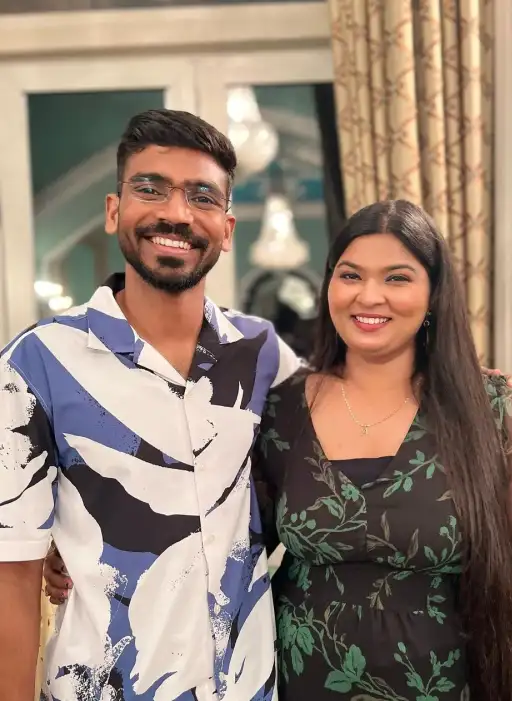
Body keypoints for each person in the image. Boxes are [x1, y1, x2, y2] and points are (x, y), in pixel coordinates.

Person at [40, 199, 512, 698]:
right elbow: (210, 519)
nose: (369, 296)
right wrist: (79, 543)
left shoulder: (496, 416)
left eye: (397, 277)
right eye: (350, 275)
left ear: (435, 295)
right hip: (297, 683)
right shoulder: (284, 407)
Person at [0, 109, 301, 701]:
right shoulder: (37, 363)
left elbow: (359, 408)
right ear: (115, 210)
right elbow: (11, 575)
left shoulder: (263, 353)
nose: (177, 213)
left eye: (201, 197)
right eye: (151, 189)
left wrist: (471, 385)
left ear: (227, 228)